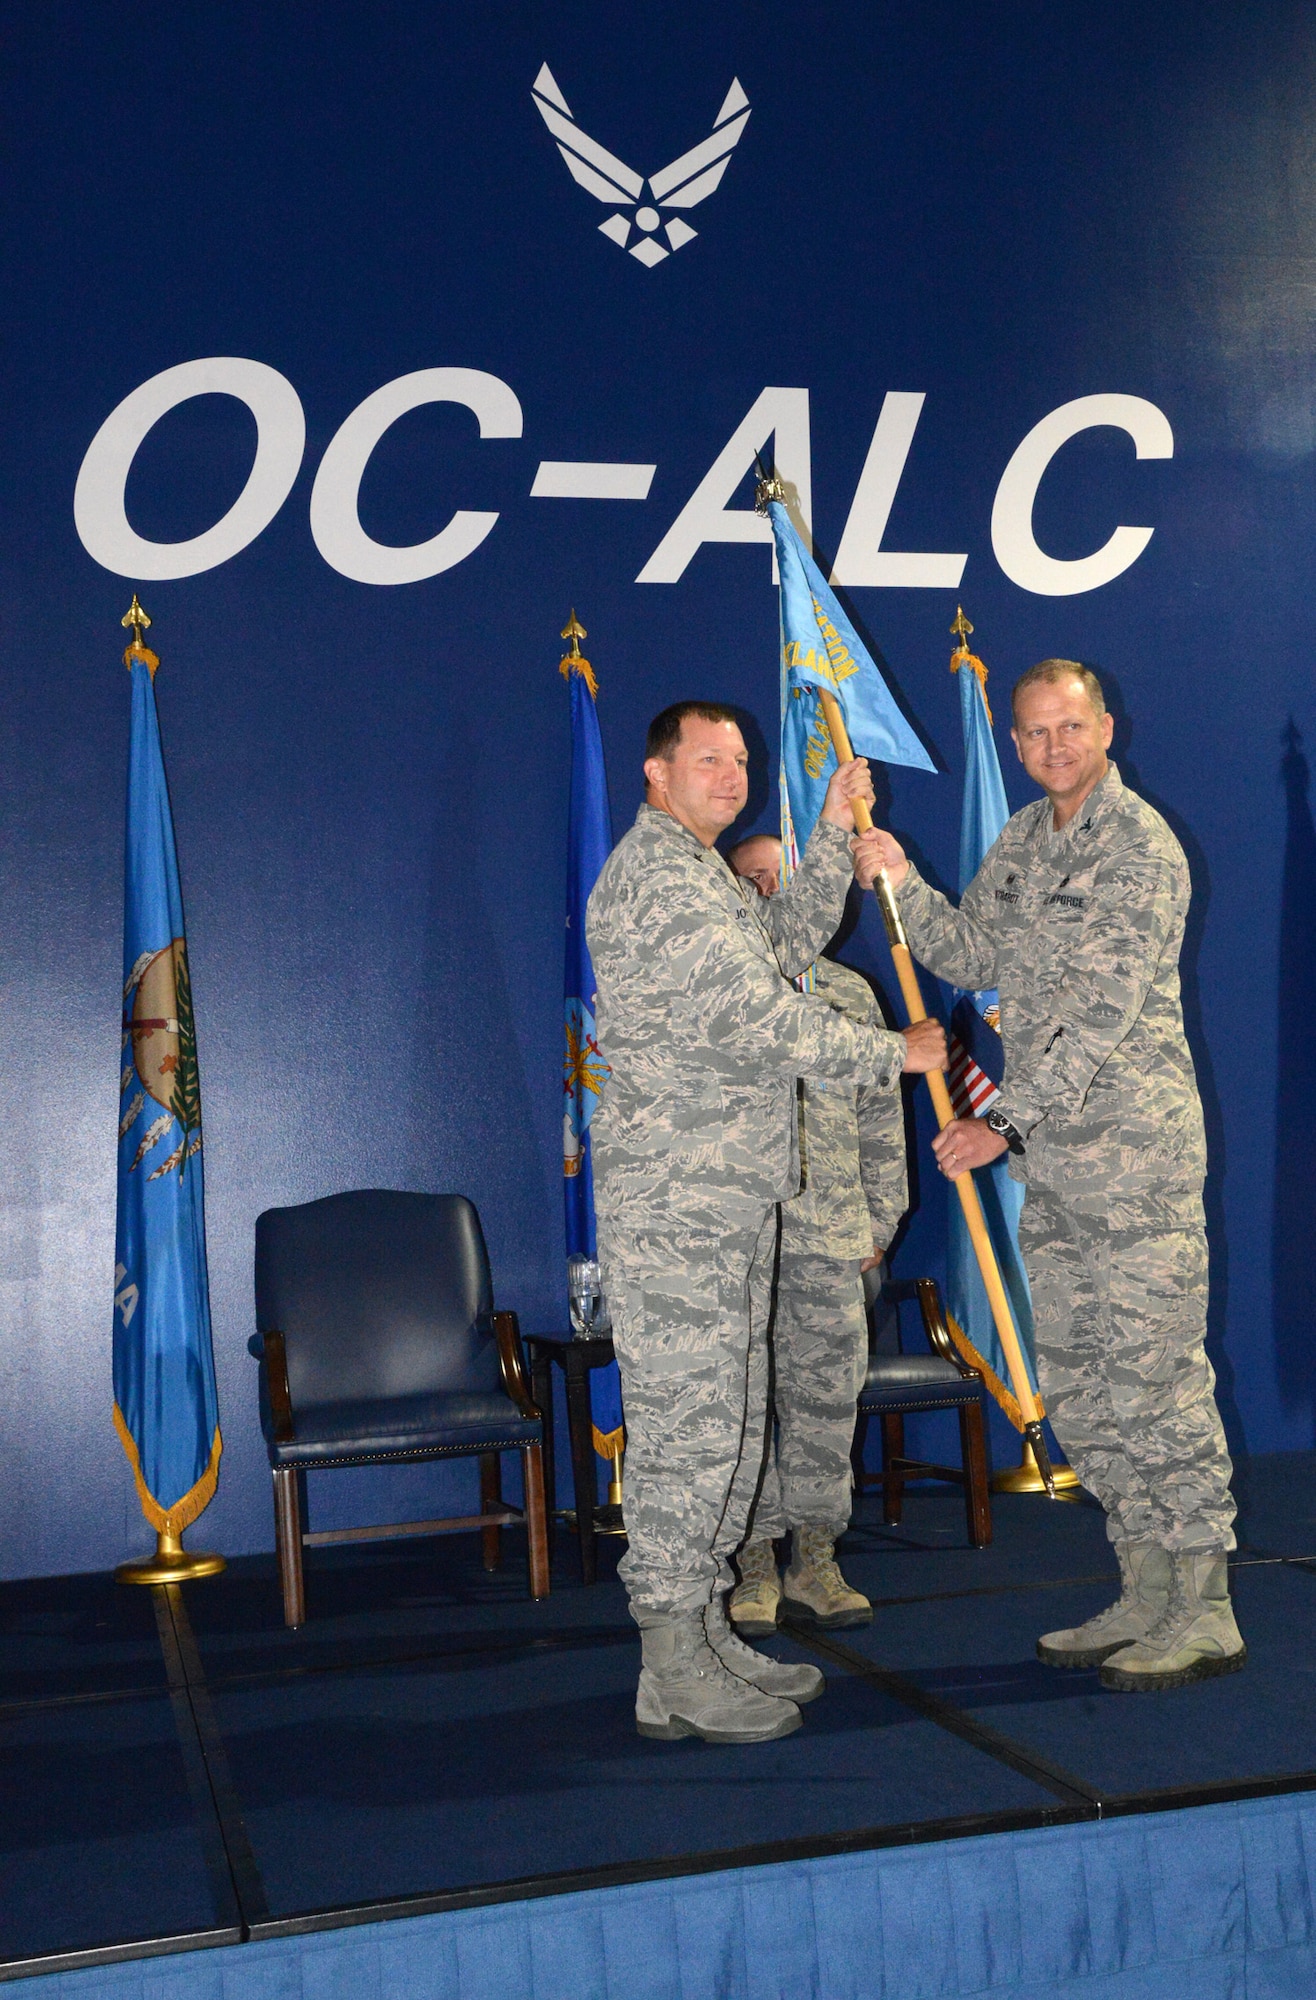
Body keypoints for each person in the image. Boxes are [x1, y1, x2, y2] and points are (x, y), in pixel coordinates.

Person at [858, 660, 1243, 1692]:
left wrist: (1000, 1120)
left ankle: (1202, 1602)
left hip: (1134, 1162)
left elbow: (1099, 1014)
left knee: (1156, 1378)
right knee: (1080, 1377)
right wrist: (900, 879)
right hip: (1053, 1165)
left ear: (1104, 726)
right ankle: (1141, 1582)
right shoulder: (1025, 838)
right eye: (1030, 734)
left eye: (1066, 728)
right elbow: (969, 945)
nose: (1048, 748)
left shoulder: (1138, 845)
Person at [587, 702, 946, 1744]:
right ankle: (669, 1656)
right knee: (689, 1440)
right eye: (709, 758)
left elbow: (784, 945)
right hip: (679, 1209)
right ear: (657, 773)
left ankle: (697, 1640)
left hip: (727, 1201)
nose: (732, 773)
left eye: (741, 759)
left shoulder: (702, 872)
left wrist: (831, 830)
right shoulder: (659, 876)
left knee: (730, 1434)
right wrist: (897, 1054)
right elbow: (761, 1017)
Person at [725, 834, 908, 1634]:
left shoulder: (849, 996)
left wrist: (883, 1216)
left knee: (827, 1405)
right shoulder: (719, 1001)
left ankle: (817, 1561)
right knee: (745, 1408)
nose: (767, 891)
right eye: (751, 880)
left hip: (831, 1238)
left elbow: (882, 1119)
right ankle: (755, 1564)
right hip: (741, 1241)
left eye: (779, 878)